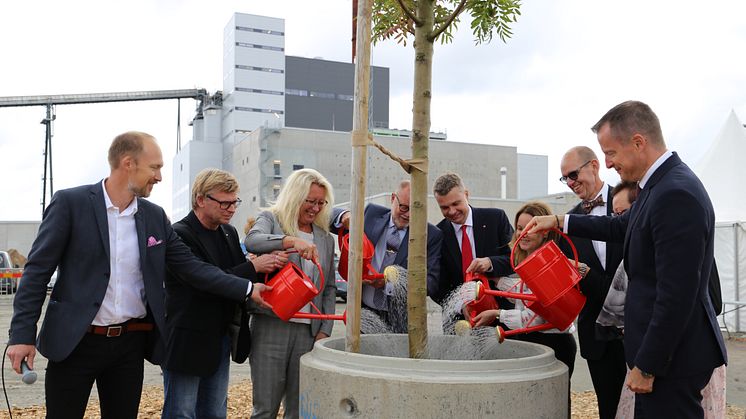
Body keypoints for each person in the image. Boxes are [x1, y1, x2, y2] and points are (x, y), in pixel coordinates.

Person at [6, 131, 270, 419]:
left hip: (128, 346)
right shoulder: (72, 203)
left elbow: (192, 267)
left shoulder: (155, 216)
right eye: (154, 167)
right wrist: (22, 335)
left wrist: (246, 288)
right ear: (128, 163)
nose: (158, 177)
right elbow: (37, 272)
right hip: (75, 342)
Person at [526, 101, 727, 418]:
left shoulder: (676, 193)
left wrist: (647, 365)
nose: (607, 164)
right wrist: (561, 222)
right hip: (664, 358)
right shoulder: (657, 185)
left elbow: (676, 295)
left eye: (611, 153)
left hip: (673, 361)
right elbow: (620, 226)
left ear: (638, 142)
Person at [598, 181, 727, 419]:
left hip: (674, 359)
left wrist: (647, 366)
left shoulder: (676, 199)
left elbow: (679, 300)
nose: (622, 221)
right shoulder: (645, 236)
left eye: (624, 214)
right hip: (653, 357)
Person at [161, 169, 283, 419]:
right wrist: (253, 267)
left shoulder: (229, 233)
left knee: (215, 411)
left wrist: (268, 264)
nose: (231, 208)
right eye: (224, 202)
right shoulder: (179, 234)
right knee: (181, 412)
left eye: (234, 202)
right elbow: (205, 280)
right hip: (187, 338)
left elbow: (236, 277)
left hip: (219, 336)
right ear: (200, 199)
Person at [244, 168, 337, 419]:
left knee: (299, 408)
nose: (316, 208)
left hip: (307, 333)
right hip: (271, 324)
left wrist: (324, 331)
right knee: (265, 407)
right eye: (310, 201)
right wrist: (291, 241)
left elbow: (328, 288)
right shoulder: (271, 219)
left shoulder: (326, 239)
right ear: (295, 196)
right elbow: (253, 240)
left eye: (321, 202)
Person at [473, 201, 580, 376]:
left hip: (553, 342)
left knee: (552, 402)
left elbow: (534, 319)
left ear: (545, 232)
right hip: (537, 339)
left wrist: (497, 314)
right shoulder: (532, 259)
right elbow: (527, 295)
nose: (522, 234)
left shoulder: (549, 263)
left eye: (530, 228)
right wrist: (496, 279)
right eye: (519, 228)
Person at [559, 146, 626, 419]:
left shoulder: (630, 201)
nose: (571, 183)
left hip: (636, 329)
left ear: (595, 166)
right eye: (566, 179)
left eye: (574, 174)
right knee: (608, 409)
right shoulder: (568, 222)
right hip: (597, 335)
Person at [332, 180, 442, 332]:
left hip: (400, 321)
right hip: (362, 313)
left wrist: (390, 283)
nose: (408, 215)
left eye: (415, 210)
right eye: (403, 207)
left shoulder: (431, 235)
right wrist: (345, 215)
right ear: (392, 199)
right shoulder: (370, 214)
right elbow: (329, 215)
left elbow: (431, 283)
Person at [430, 172, 514, 307]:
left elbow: (516, 259)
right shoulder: (436, 234)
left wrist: (490, 262)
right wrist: (459, 307)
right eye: (445, 207)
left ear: (466, 195)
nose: (452, 211)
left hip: (500, 311)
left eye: (456, 203)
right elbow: (436, 283)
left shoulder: (496, 219)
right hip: (460, 318)